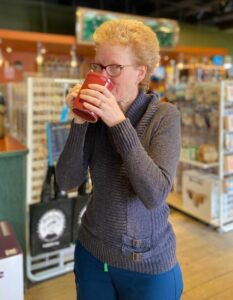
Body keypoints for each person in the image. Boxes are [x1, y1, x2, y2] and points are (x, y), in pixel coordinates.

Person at [56, 19, 183, 300]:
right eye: (98, 67)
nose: (103, 75)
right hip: (92, 252)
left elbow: (155, 194)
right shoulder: (93, 116)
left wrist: (118, 123)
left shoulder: (164, 117)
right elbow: (66, 181)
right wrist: (79, 123)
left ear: (140, 72)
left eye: (115, 67)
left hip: (147, 264)